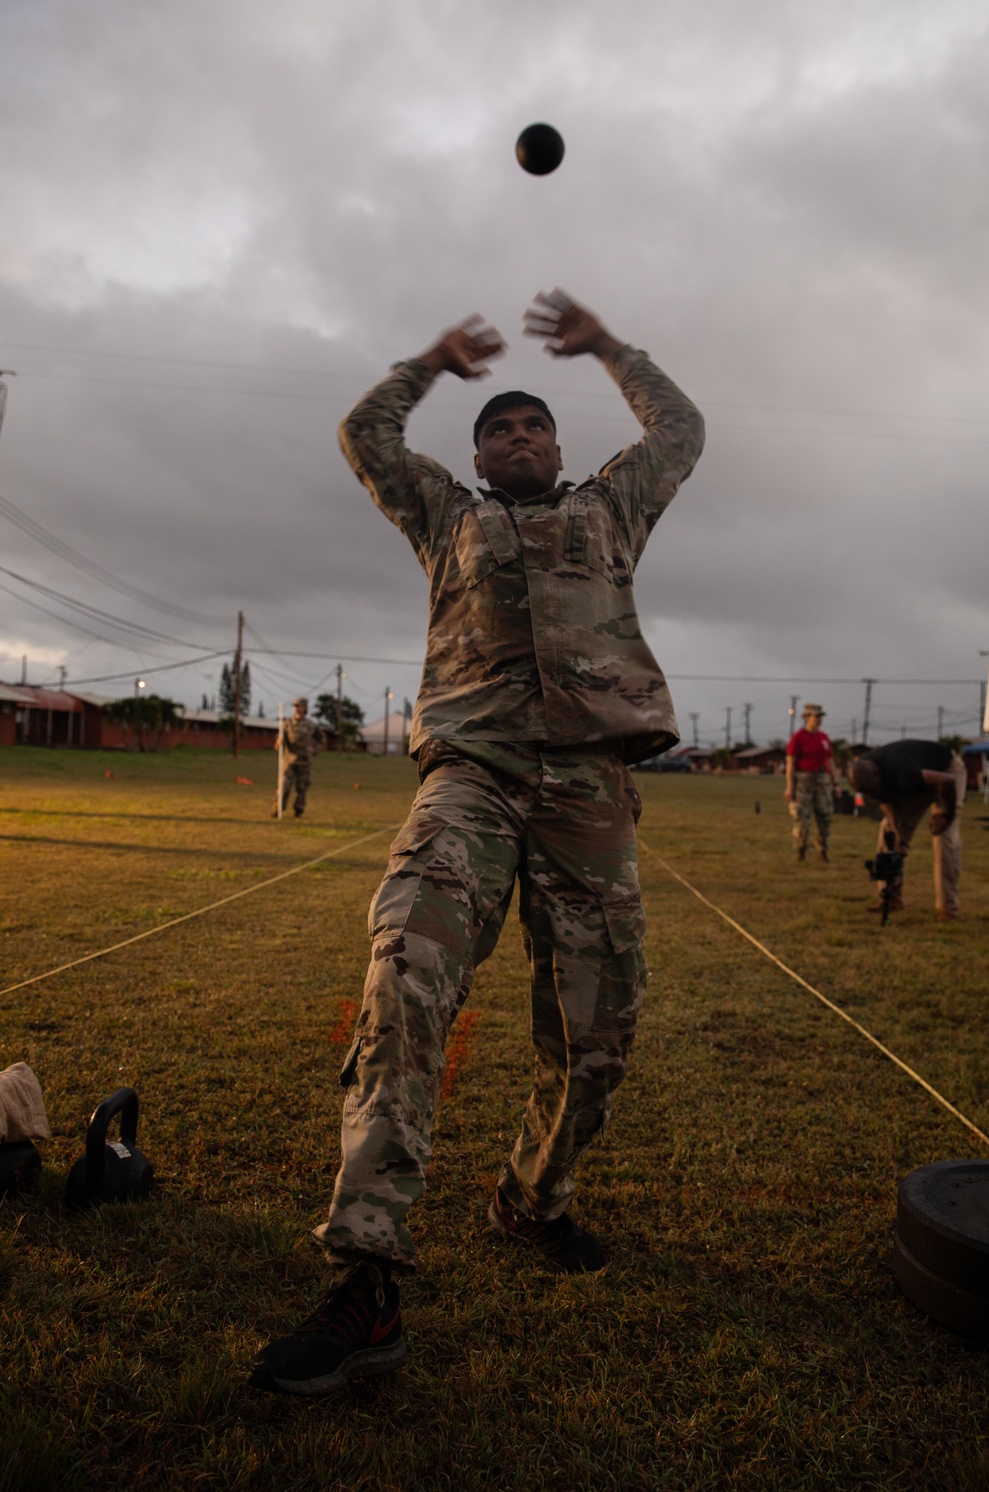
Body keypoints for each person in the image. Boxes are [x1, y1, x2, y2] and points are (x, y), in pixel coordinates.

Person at [250, 289, 705, 1397]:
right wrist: (428, 361)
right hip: (473, 779)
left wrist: (605, 347)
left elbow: (679, 431)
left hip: (589, 792)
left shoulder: (610, 510)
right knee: (405, 961)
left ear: (556, 442)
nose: (515, 436)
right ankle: (365, 1276)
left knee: (597, 1034)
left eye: (531, 424)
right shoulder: (443, 515)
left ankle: (532, 1198)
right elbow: (365, 434)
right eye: (496, 426)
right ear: (477, 452)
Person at [847, 739, 966, 920]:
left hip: (946, 771)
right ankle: (891, 897)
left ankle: (948, 908)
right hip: (917, 781)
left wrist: (947, 816)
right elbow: (884, 798)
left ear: (877, 775)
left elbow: (947, 782)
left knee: (944, 838)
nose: (873, 792)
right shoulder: (867, 773)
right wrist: (897, 832)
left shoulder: (901, 770)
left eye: (874, 788)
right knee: (888, 832)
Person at [784, 703, 838, 862]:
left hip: (822, 781)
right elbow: (790, 763)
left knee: (825, 816)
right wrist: (790, 787)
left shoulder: (824, 737)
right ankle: (800, 850)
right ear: (807, 717)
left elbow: (830, 761)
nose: (819, 720)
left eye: (820, 716)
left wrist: (836, 783)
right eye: (816, 716)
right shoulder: (798, 737)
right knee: (802, 817)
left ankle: (822, 850)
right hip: (803, 781)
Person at [272, 697, 325, 819]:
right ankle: (278, 809)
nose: (297, 708)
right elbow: (279, 742)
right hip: (289, 761)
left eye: (299, 706)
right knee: (284, 786)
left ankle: (299, 810)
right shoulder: (287, 724)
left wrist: (314, 749)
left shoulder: (311, 725)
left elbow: (321, 739)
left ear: (305, 708)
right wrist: (279, 743)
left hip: (305, 761)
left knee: (302, 787)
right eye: (295, 706)